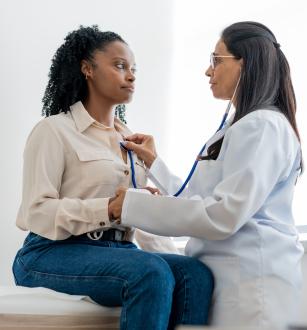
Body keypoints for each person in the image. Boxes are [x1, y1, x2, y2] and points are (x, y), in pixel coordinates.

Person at [12, 25, 213, 330]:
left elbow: (145, 220)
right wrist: (108, 209)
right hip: (50, 252)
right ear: (87, 69)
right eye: (120, 66)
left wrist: (171, 260)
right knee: (149, 272)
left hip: (119, 251)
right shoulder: (53, 131)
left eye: (133, 69)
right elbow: (36, 212)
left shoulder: (132, 142)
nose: (131, 76)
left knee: (194, 274)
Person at [109, 21, 304, 326]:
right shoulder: (243, 127)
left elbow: (223, 214)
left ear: (246, 63)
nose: (208, 70)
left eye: (216, 60)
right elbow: (201, 199)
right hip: (223, 280)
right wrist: (155, 163)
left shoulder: (263, 126)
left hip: (250, 285)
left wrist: (131, 205)